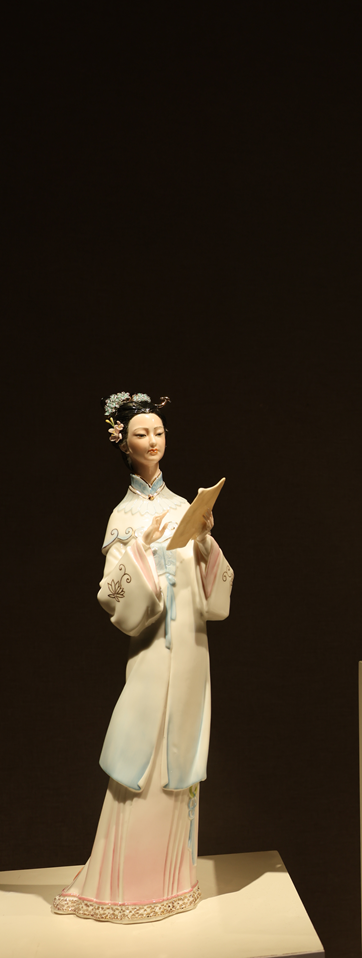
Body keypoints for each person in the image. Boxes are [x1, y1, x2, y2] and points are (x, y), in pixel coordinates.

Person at [53, 393, 233, 922]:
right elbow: (112, 594)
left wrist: (205, 543)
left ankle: (175, 878)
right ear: (123, 444)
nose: (152, 441)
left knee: (182, 750)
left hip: (192, 643)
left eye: (158, 432)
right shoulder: (123, 515)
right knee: (146, 747)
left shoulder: (182, 506)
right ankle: (121, 884)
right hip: (155, 645)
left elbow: (213, 589)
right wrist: (142, 552)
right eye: (140, 434)